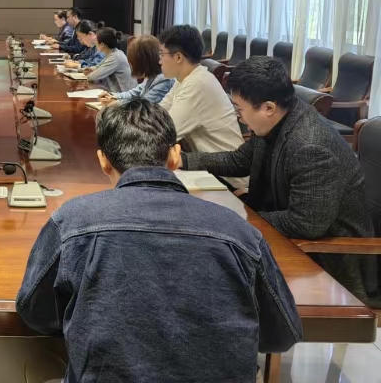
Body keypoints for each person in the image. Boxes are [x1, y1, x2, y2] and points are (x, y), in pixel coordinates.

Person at [16, 99, 302, 383]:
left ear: (103, 161)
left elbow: (35, 312)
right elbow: (281, 334)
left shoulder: (71, 221)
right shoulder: (239, 232)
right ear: (175, 156)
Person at [184, 56, 372, 240]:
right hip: (285, 228)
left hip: (326, 251)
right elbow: (238, 161)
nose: (238, 117)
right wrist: (182, 161)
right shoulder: (274, 121)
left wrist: (239, 218)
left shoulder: (311, 147)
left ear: (268, 108)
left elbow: (305, 224)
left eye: (239, 109)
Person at [157, 25, 245, 189]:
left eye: (162, 54)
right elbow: (158, 114)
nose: (159, 61)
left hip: (227, 178)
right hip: (204, 167)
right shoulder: (187, 79)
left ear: (178, 57)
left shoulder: (197, 84)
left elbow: (163, 134)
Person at [99, 35, 174, 107]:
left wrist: (118, 103)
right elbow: (135, 92)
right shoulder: (151, 74)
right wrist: (113, 96)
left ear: (142, 61)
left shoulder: (164, 79)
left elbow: (145, 104)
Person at [84, 27, 136, 94]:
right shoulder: (114, 53)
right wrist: (90, 69)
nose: (95, 42)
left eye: (96, 40)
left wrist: (89, 74)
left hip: (124, 97)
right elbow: (99, 66)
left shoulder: (115, 58)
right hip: (117, 93)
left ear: (102, 44)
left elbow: (93, 77)